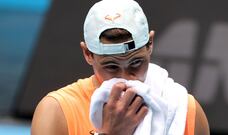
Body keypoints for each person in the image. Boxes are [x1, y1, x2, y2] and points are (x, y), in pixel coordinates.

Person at [31, 0, 210, 135]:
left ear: (150, 44)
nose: (125, 78)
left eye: (136, 63)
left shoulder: (184, 110)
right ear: (88, 54)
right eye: (111, 66)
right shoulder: (56, 112)